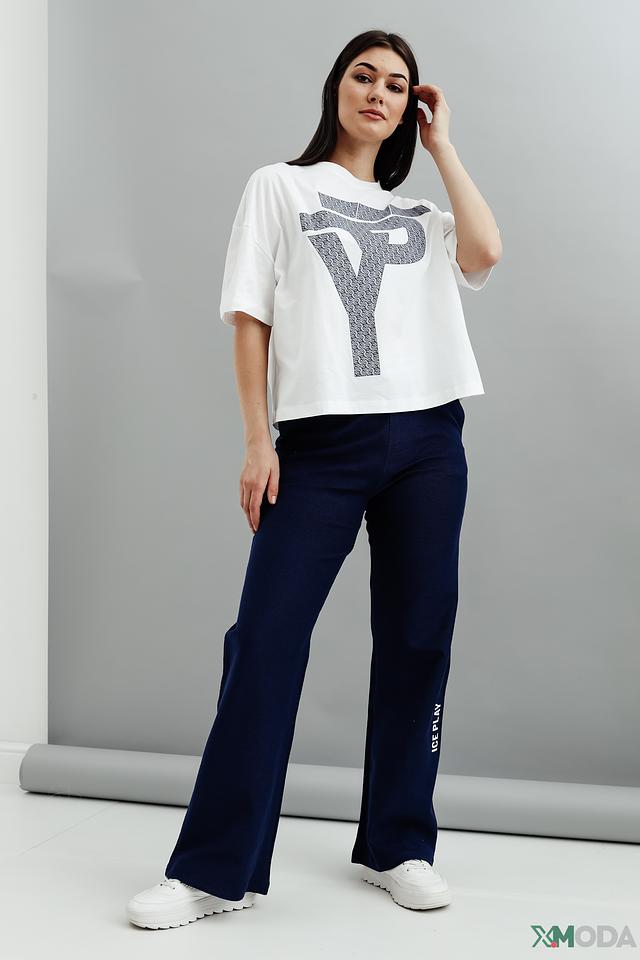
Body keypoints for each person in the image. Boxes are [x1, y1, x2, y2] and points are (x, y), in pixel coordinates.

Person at [126, 27, 501, 930]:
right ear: (336, 87)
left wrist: (443, 146)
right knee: (265, 639)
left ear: (410, 107)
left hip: (428, 439)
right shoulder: (279, 188)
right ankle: (215, 870)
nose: (378, 93)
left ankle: (398, 845)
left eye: (397, 85)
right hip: (320, 445)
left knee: (418, 641)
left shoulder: (422, 215)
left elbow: (486, 252)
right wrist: (259, 441)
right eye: (363, 76)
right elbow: (249, 316)